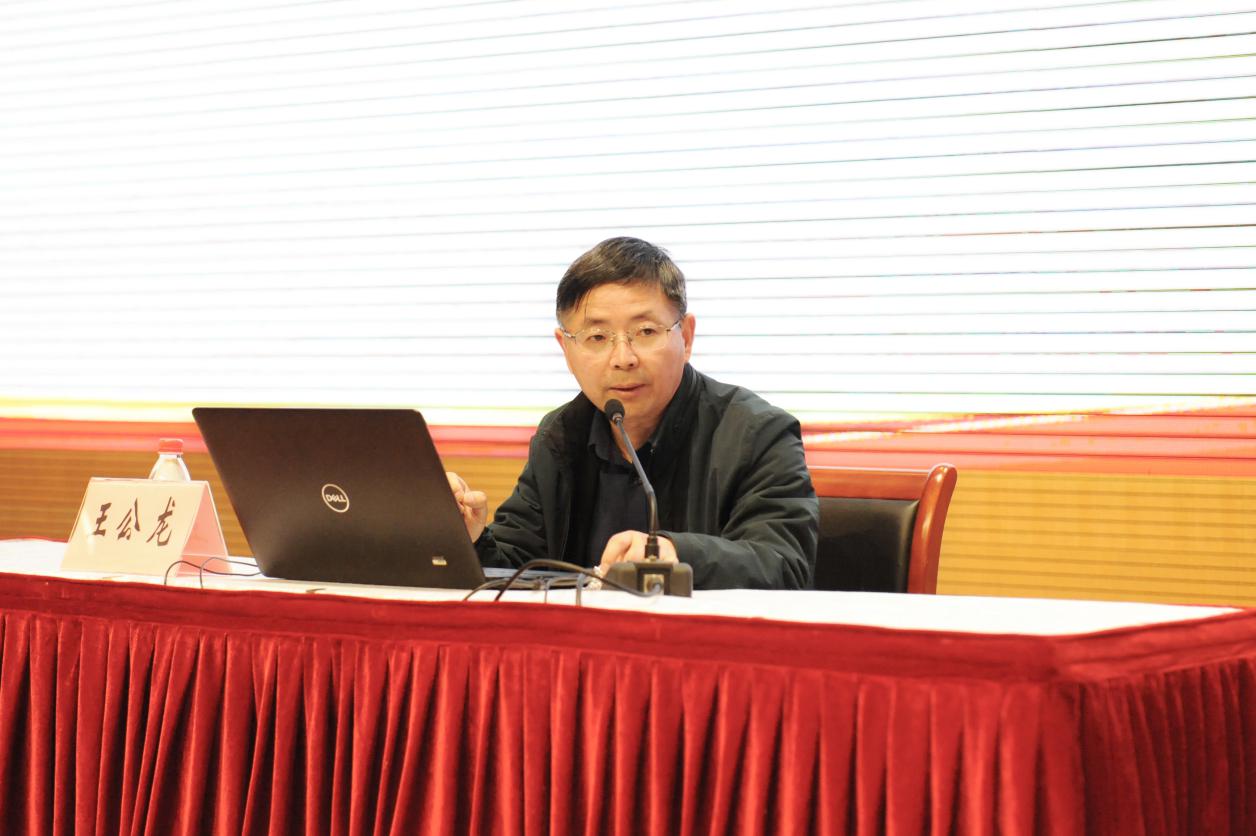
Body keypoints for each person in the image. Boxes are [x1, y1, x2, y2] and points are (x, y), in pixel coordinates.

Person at [446, 236, 817, 589]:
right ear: (566, 349)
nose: (623, 358)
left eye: (645, 332)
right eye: (597, 337)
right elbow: (519, 567)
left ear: (686, 337)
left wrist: (673, 554)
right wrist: (469, 538)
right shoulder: (561, 435)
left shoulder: (758, 433)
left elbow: (783, 564)